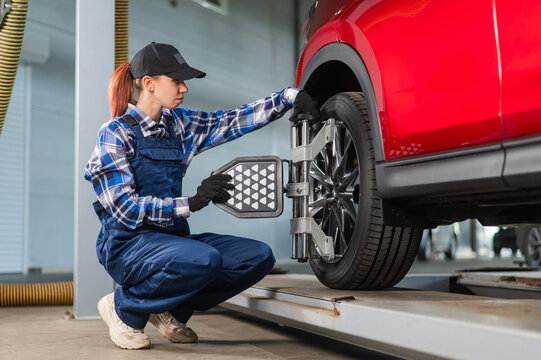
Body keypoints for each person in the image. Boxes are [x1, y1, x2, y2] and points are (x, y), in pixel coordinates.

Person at [84, 42, 320, 350]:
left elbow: (234, 120)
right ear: (149, 83)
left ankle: (169, 310)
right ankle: (124, 307)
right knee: (204, 260)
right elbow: (125, 210)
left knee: (257, 257)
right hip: (128, 245)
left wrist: (289, 98)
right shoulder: (115, 133)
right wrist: (192, 203)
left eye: (185, 81)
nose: (184, 88)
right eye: (176, 80)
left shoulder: (180, 125)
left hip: (172, 241)